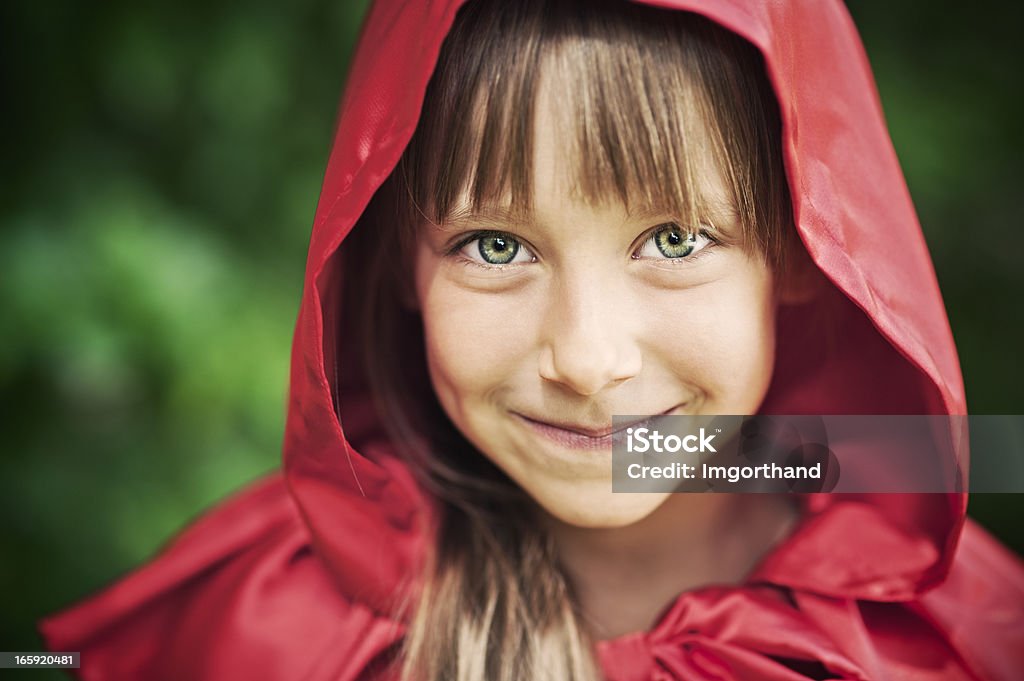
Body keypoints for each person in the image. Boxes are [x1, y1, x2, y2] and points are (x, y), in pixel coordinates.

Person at [41, 0, 1024, 679]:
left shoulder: (961, 630)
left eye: (673, 240)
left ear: (804, 249)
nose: (590, 360)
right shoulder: (264, 625)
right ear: (395, 266)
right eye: (495, 245)